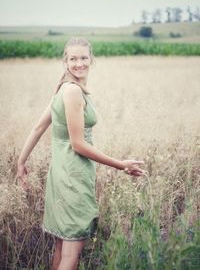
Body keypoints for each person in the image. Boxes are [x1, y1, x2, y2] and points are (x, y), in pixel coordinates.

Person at [16, 37, 146, 270]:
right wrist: (120, 164)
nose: (79, 63)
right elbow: (78, 145)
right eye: (73, 58)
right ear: (65, 61)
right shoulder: (73, 92)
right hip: (73, 177)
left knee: (61, 249)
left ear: (91, 59)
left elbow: (38, 128)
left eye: (83, 58)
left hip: (60, 175)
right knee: (71, 255)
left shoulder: (63, 89)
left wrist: (21, 160)